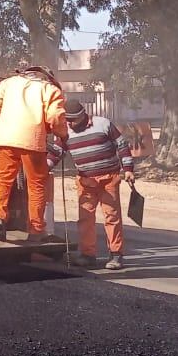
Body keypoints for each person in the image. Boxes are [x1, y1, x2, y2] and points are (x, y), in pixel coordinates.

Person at [0, 65, 68, 243]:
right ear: (46, 77)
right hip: (32, 141)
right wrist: (62, 134)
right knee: (36, 186)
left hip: (5, 139)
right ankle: (35, 229)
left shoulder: (7, 84)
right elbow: (55, 117)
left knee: (3, 180)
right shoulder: (50, 89)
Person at [48, 99, 135, 269]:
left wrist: (129, 169)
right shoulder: (65, 132)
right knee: (85, 219)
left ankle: (116, 255)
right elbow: (56, 153)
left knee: (112, 217)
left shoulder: (103, 124)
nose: (70, 123)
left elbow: (122, 145)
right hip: (85, 181)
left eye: (72, 120)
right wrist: (45, 168)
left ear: (82, 116)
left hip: (109, 178)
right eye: (67, 120)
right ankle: (88, 255)